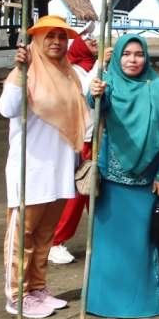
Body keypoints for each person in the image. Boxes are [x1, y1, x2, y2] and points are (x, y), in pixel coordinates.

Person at [0, 15, 88, 318]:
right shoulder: (27, 72)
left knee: (45, 236)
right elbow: (7, 109)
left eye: (62, 37)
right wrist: (19, 73)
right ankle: (17, 294)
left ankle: (38, 288)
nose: (56, 42)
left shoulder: (71, 74)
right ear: (36, 40)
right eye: (49, 36)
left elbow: (83, 110)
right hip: (31, 169)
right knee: (23, 234)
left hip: (60, 168)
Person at [85, 35, 159, 318]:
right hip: (111, 180)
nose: (132, 60)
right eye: (126, 54)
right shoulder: (108, 83)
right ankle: (104, 302)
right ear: (117, 57)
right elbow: (94, 102)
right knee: (108, 245)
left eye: (138, 54)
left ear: (146, 57)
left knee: (141, 243)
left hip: (146, 183)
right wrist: (95, 89)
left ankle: (142, 302)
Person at [48, 35, 99, 265]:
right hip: (82, 137)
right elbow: (86, 93)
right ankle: (56, 240)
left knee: (97, 193)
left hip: (100, 136)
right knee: (77, 192)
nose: (95, 41)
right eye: (88, 39)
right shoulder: (72, 69)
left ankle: (99, 238)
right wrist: (101, 64)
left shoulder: (94, 66)